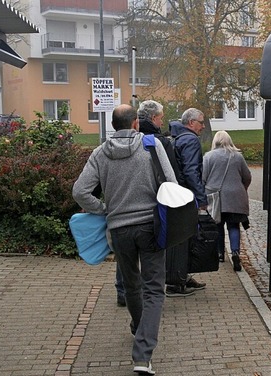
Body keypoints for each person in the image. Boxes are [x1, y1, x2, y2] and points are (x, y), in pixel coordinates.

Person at [72, 104, 177, 376]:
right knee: (154, 290)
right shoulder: (152, 145)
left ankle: (139, 328)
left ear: (113, 126)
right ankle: (142, 355)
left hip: (118, 230)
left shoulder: (99, 153)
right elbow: (171, 184)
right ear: (135, 124)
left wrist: (103, 209)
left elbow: (80, 191)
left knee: (132, 285)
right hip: (151, 227)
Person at [166, 108, 209, 295]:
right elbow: (192, 171)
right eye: (201, 122)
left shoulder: (176, 139)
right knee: (185, 238)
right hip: (186, 196)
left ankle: (181, 276)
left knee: (180, 238)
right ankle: (177, 282)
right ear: (191, 123)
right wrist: (201, 198)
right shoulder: (190, 140)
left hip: (176, 195)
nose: (203, 126)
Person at [202, 131, 252, 271]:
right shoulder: (238, 156)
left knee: (218, 226)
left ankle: (219, 254)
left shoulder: (208, 157)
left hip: (216, 198)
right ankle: (235, 252)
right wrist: (242, 188)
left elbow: (203, 178)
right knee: (234, 226)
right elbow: (247, 176)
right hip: (235, 197)